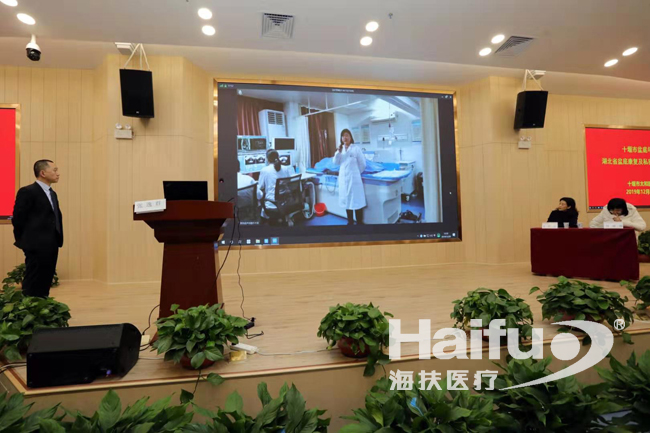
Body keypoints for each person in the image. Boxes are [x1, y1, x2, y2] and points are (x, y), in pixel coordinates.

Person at [12, 160, 63, 298]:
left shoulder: (52, 193)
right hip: (35, 244)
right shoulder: (27, 191)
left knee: (46, 277)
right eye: (55, 170)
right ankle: (30, 305)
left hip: (52, 242)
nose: (58, 173)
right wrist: (24, 241)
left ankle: (43, 302)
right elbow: (18, 219)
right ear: (43, 173)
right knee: (33, 278)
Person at [333, 129, 366, 225]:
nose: (345, 137)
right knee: (347, 201)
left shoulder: (356, 148)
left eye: (347, 135)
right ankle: (350, 222)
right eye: (343, 135)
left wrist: (355, 173)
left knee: (357, 201)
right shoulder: (340, 150)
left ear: (351, 137)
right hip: (344, 179)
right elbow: (335, 162)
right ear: (341, 138)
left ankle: (359, 222)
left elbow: (362, 164)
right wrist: (338, 152)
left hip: (354, 179)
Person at [258, 149, 293, 219]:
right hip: (285, 202)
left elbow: (261, 187)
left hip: (272, 204)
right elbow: (289, 182)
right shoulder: (285, 168)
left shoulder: (264, 170)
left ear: (267, 159)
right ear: (278, 157)